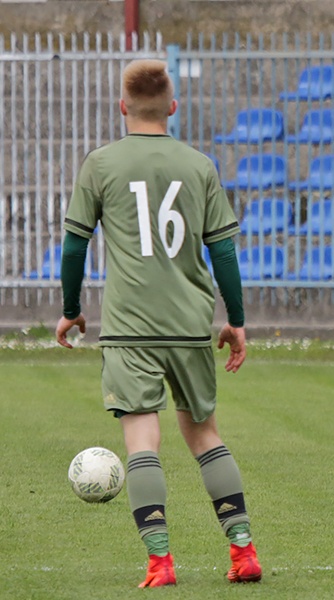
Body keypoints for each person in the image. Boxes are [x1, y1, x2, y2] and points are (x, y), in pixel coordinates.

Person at [55, 59, 262, 587]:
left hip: (129, 329)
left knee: (142, 445)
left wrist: (71, 307)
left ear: (122, 106)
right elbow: (226, 252)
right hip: (190, 325)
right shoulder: (199, 165)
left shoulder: (100, 164)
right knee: (206, 436)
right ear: (173, 106)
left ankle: (160, 563)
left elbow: (75, 244)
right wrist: (235, 320)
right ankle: (243, 553)